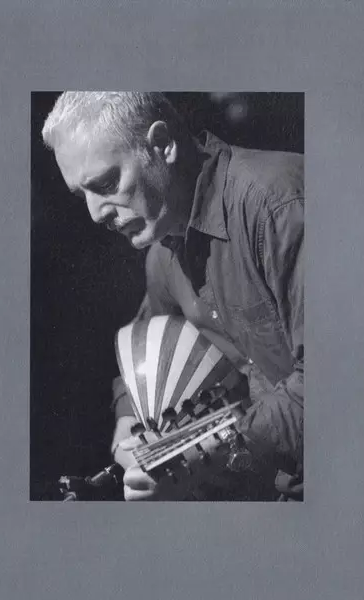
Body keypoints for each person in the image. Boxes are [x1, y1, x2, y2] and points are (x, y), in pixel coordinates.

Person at [41, 92, 303, 501]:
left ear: (162, 145)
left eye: (106, 184)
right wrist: (129, 429)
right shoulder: (163, 253)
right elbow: (145, 348)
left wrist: (192, 461)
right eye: (82, 195)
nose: (95, 214)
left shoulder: (278, 207)